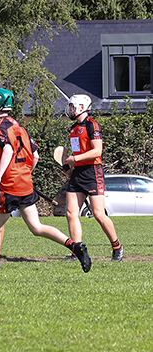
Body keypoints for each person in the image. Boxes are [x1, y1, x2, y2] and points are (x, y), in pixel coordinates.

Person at [0, 88, 91, 282]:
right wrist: (25, 174)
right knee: (36, 227)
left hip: (9, 183)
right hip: (24, 182)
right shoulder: (18, 126)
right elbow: (34, 156)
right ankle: (75, 246)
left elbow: (8, 149)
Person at [63, 94, 123, 261]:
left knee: (98, 214)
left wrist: (75, 159)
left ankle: (117, 246)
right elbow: (78, 151)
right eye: (70, 107)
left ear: (82, 107)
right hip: (78, 172)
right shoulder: (73, 128)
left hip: (92, 172)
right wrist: (71, 168)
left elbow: (97, 151)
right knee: (70, 213)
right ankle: (77, 251)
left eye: (73, 107)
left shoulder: (92, 125)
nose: (70, 110)